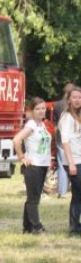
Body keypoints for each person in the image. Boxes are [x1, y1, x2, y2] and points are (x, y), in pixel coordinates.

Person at [13, 97, 51, 234]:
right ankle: (36, 226)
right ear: (32, 111)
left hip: (42, 165)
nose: (41, 111)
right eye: (38, 109)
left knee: (33, 197)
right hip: (33, 165)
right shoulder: (31, 125)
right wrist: (22, 157)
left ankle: (27, 226)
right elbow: (17, 139)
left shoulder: (42, 124)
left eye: (43, 108)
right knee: (33, 199)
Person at [58, 85, 81, 236]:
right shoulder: (66, 118)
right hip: (74, 161)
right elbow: (65, 142)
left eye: (79, 97)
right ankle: (73, 228)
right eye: (74, 97)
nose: (78, 100)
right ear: (69, 100)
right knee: (78, 193)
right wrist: (71, 163)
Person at [53, 82, 74, 198]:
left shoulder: (57, 105)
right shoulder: (75, 104)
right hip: (73, 138)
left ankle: (62, 192)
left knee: (62, 164)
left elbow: (55, 124)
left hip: (61, 138)